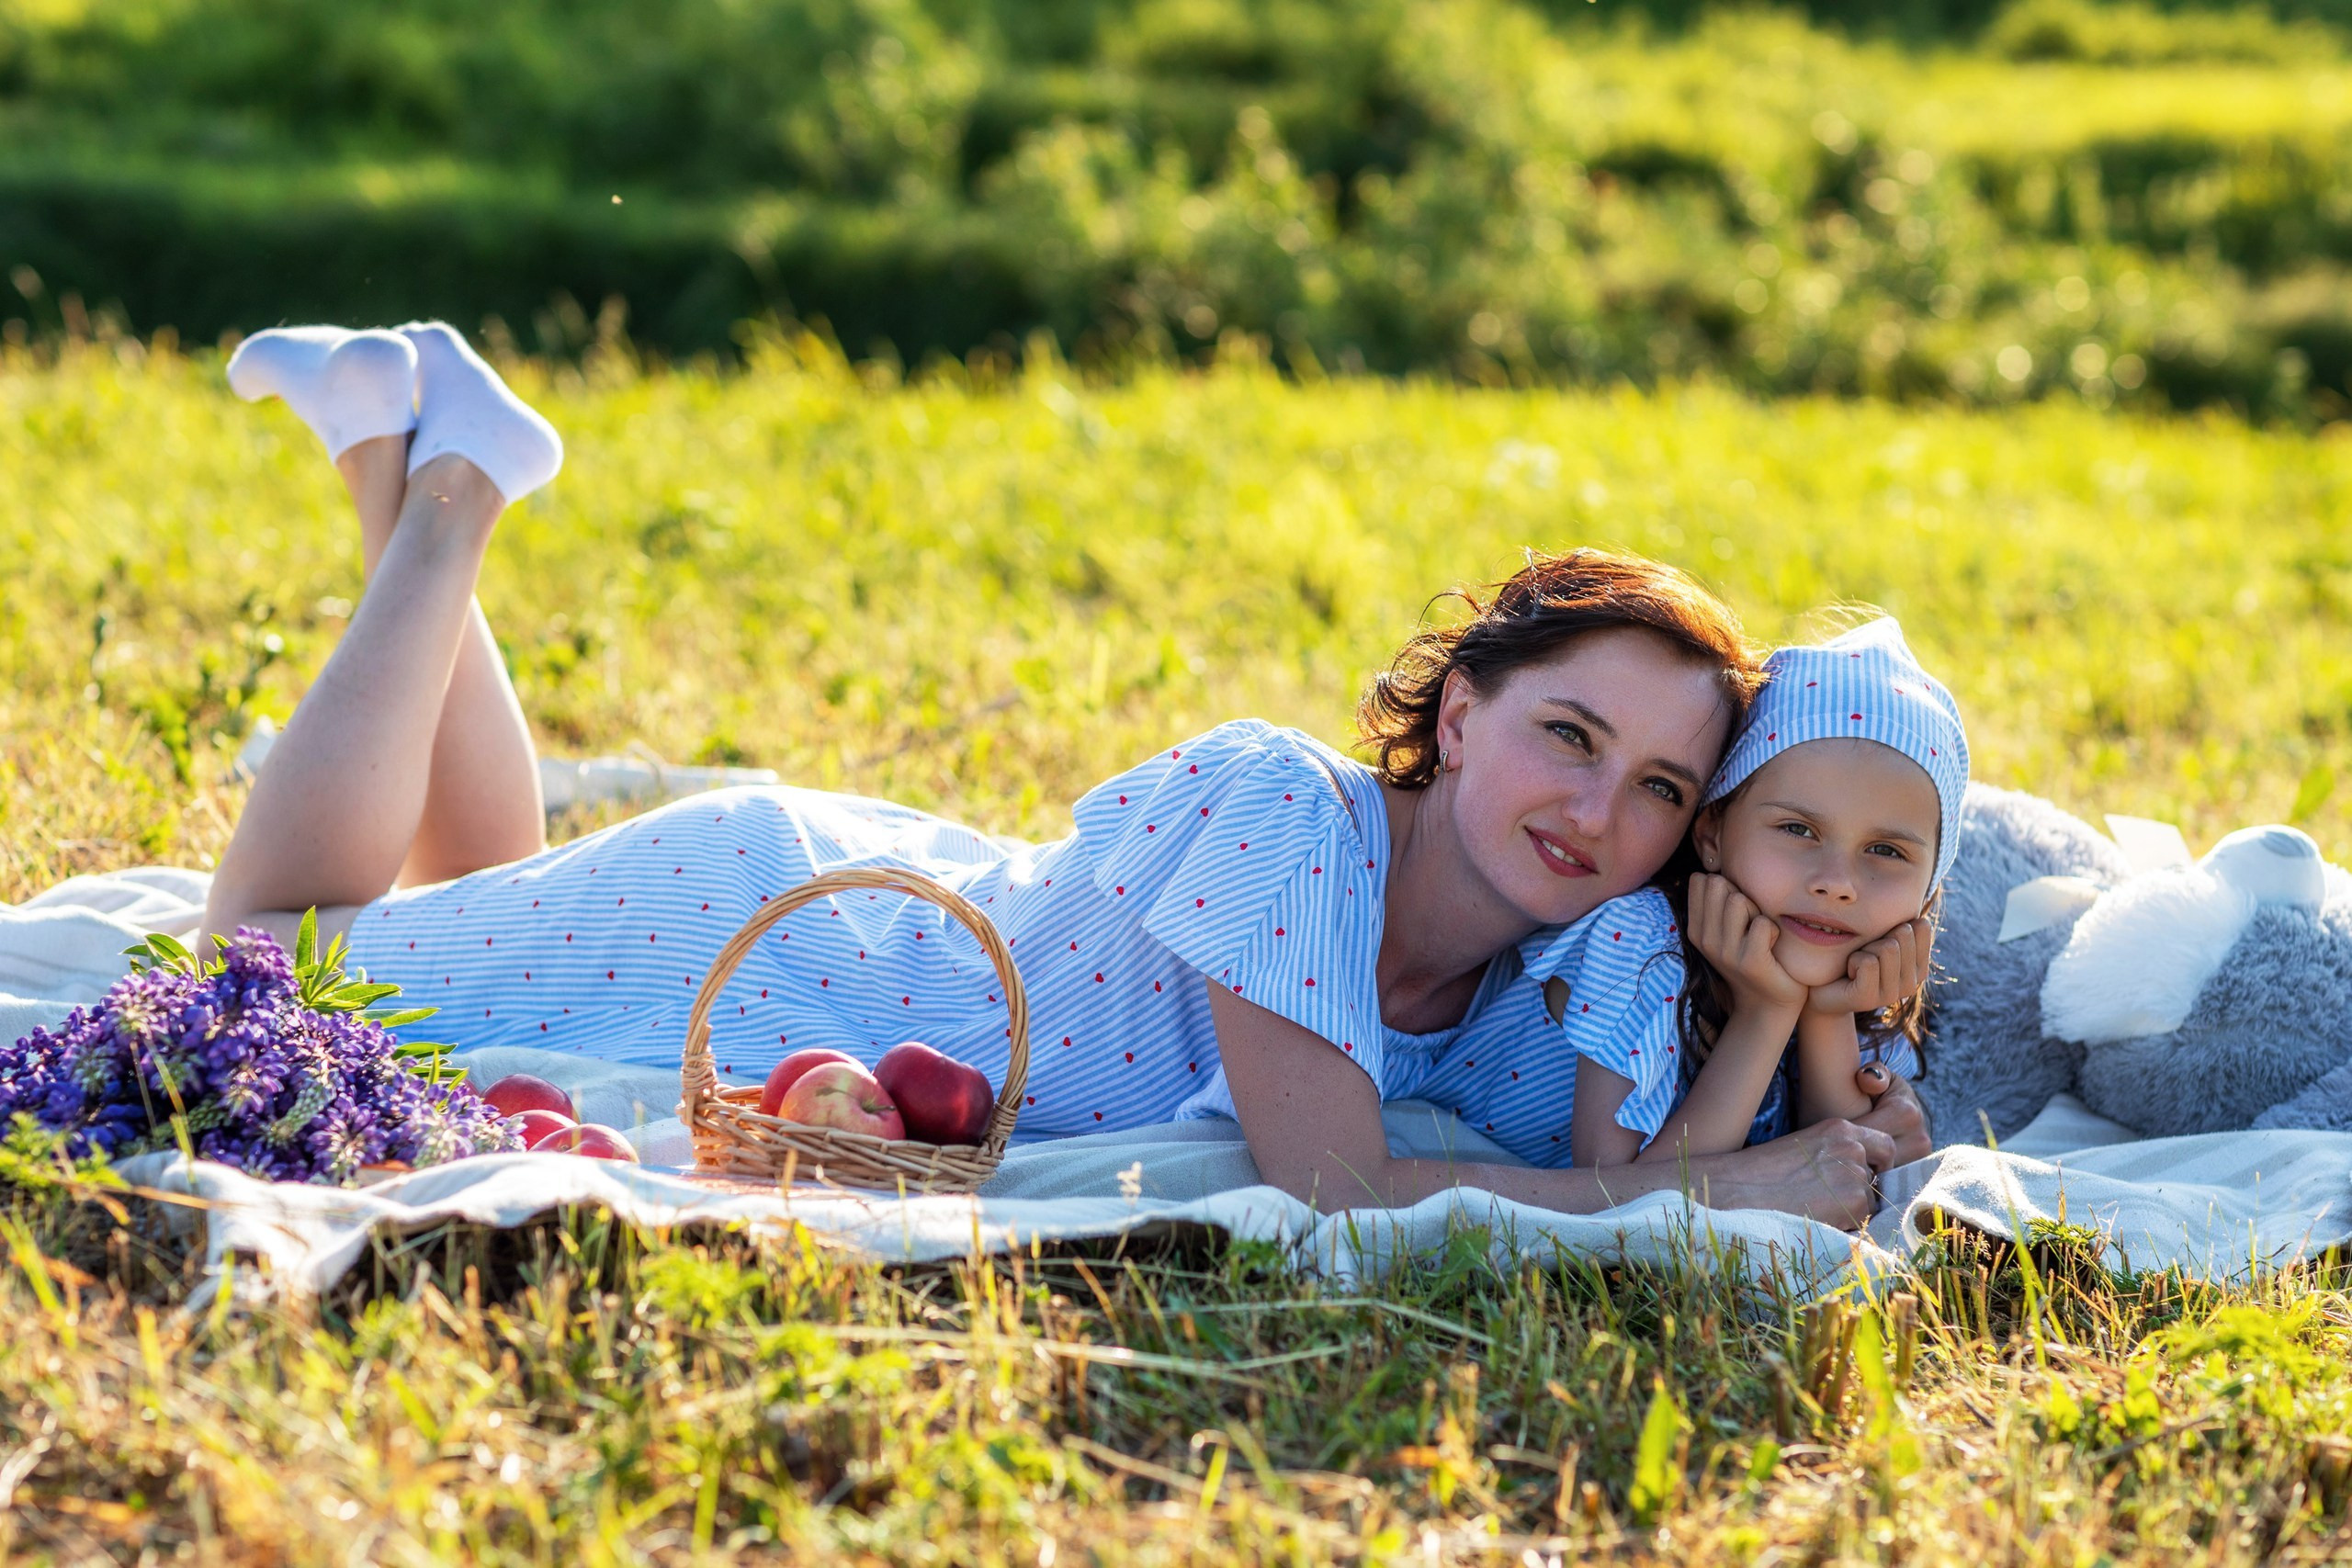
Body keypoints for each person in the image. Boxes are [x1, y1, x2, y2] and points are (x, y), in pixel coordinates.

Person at [206, 322, 1930, 1226]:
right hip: (787, 929)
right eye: (1569, 734)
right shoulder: (1290, 816)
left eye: (1661, 789)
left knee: (453, 896)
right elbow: (1337, 1189)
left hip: (840, 1006)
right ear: (1461, 714)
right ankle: (457, 499)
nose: (1600, 813)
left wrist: (1813, 1007)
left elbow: (1739, 1130)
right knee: (255, 957)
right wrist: (1713, 1190)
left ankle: (392, 441)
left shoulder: (1568, 970)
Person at [1566, 619, 1964, 1168]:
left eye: (1886, 851)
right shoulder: (1639, 942)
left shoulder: (1868, 983)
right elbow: (1617, 1191)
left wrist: (1828, 1015)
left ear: (1929, 887)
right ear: (1712, 835)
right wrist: (1766, 1012)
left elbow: (1845, 1174)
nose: (1837, 883)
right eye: (1798, 829)